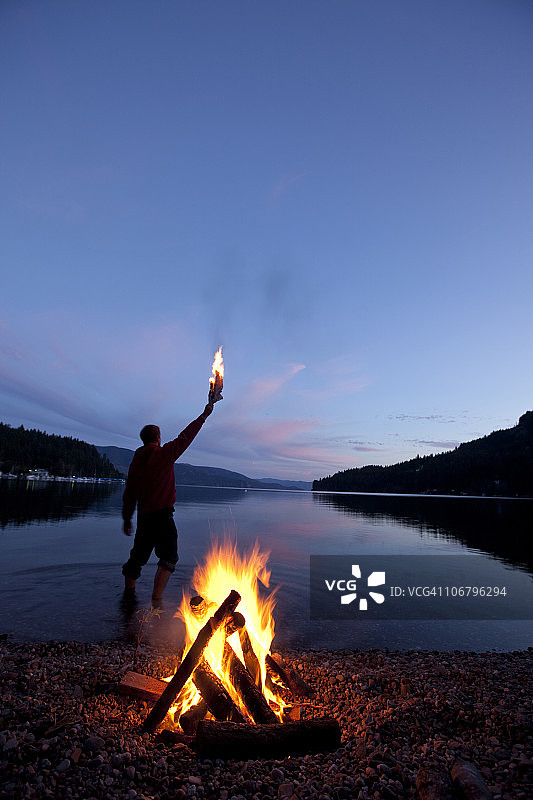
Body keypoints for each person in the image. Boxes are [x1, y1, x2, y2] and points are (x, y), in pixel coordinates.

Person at [121, 395, 220, 608]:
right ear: (157, 437)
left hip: (144, 517)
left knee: (137, 557)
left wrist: (127, 519)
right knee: (169, 558)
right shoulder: (162, 454)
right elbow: (186, 437)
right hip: (162, 516)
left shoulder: (136, 462)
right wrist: (204, 415)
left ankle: (128, 596)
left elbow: (129, 493)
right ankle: (156, 600)